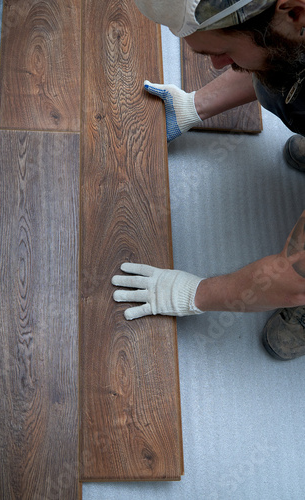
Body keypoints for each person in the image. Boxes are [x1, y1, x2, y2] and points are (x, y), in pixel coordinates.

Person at [111, 0, 305, 361]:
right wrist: (194, 106)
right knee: (273, 64)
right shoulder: (287, 24)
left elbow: (292, 276)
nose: (217, 65)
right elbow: (267, 49)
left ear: (294, 13)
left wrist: (193, 293)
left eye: (222, 50)